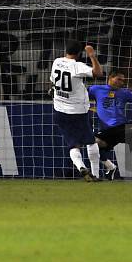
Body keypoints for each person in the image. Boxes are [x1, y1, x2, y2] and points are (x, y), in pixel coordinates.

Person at [50, 40, 103, 181]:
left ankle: (80, 166)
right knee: (90, 141)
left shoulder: (56, 62)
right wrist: (92, 55)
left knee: (73, 143)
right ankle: (96, 175)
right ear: (79, 53)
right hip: (77, 110)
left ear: (65, 50)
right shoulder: (77, 66)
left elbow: (53, 81)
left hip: (60, 109)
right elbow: (98, 73)